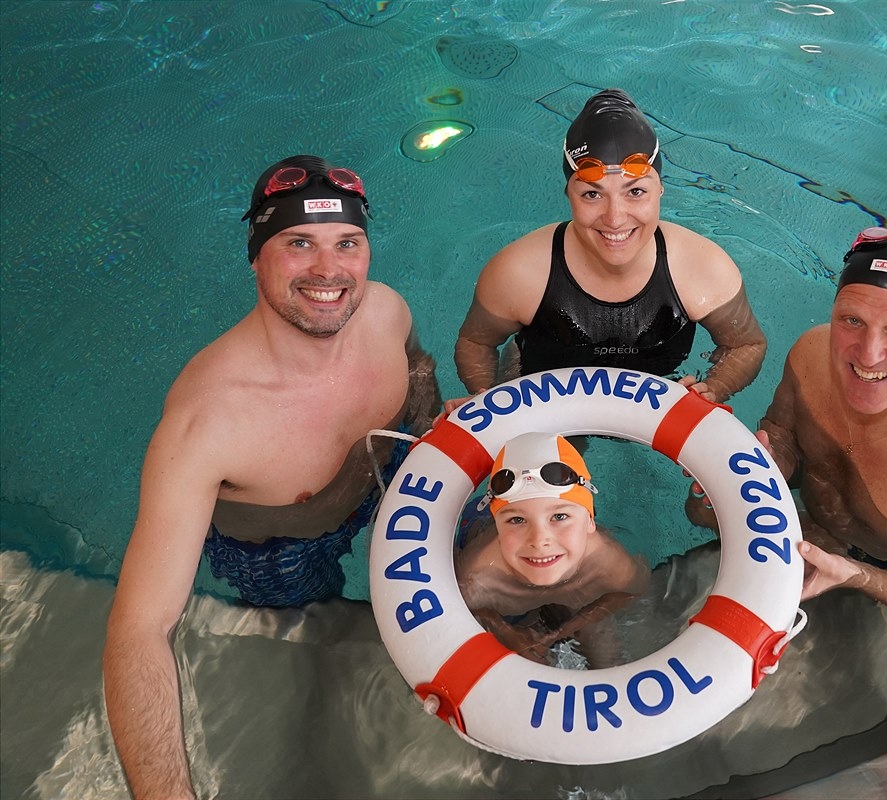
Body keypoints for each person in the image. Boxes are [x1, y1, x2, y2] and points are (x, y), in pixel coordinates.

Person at [103, 155, 441, 800]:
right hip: (283, 549)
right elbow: (139, 630)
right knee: (323, 645)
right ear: (255, 259)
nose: (328, 270)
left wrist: (433, 436)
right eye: (298, 244)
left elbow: (419, 369)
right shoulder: (207, 423)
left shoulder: (387, 312)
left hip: (391, 471)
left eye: (347, 243)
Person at [688, 226, 887, 632]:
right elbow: (782, 434)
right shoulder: (811, 355)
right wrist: (764, 463)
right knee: (699, 510)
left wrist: (858, 576)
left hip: (882, 567)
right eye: (852, 320)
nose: (869, 355)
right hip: (807, 528)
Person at [453, 88, 766, 405]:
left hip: (658, 405)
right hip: (539, 400)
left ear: (660, 188)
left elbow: (745, 345)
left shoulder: (704, 268)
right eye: (592, 194)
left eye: (635, 192)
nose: (615, 219)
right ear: (568, 194)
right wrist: (485, 397)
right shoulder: (518, 272)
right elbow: (475, 343)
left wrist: (714, 388)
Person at [455, 432, 649, 665]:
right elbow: (468, 611)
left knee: (606, 649)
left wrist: (570, 628)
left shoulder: (609, 563)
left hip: (573, 598)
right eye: (517, 520)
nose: (539, 540)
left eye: (559, 516)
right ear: (498, 526)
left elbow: (629, 592)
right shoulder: (477, 577)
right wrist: (505, 632)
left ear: (590, 521)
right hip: (476, 527)